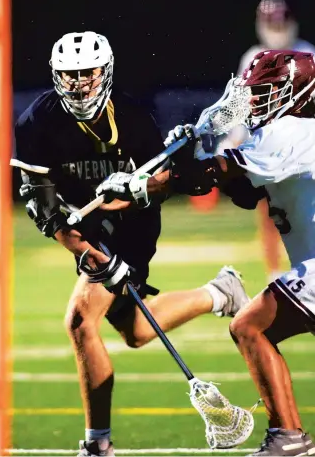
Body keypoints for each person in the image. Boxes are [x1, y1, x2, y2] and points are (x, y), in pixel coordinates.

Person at [10, 31, 250, 457]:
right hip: (86, 228)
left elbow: (168, 183)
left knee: (81, 323)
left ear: (106, 71)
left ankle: (97, 444)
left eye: (88, 72)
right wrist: (89, 253)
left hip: (132, 228)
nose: (79, 82)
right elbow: (40, 202)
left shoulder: (134, 117)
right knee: (136, 331)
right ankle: (218, 293)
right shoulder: (37, 120)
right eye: (69, 75)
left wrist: (137, 188)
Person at [94, 50, 315, 456]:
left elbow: (215, 174)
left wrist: (141, 187)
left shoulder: (291, 131)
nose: (254, 101)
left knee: (251, 326)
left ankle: (289, 440)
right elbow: (244, 192)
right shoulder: (291, 135)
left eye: (264, 92)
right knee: (254, 327)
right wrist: (187, 155)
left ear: (296, 93)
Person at [237, 0, 315, 283]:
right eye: (273, 23)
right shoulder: (254, 57)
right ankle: (275, 273)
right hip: (269, 148)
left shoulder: (308, 53)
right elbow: (242, 106)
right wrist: (237, 143)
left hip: (306, 148)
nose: (278, 28)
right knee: (272, 213)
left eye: (282, 21)